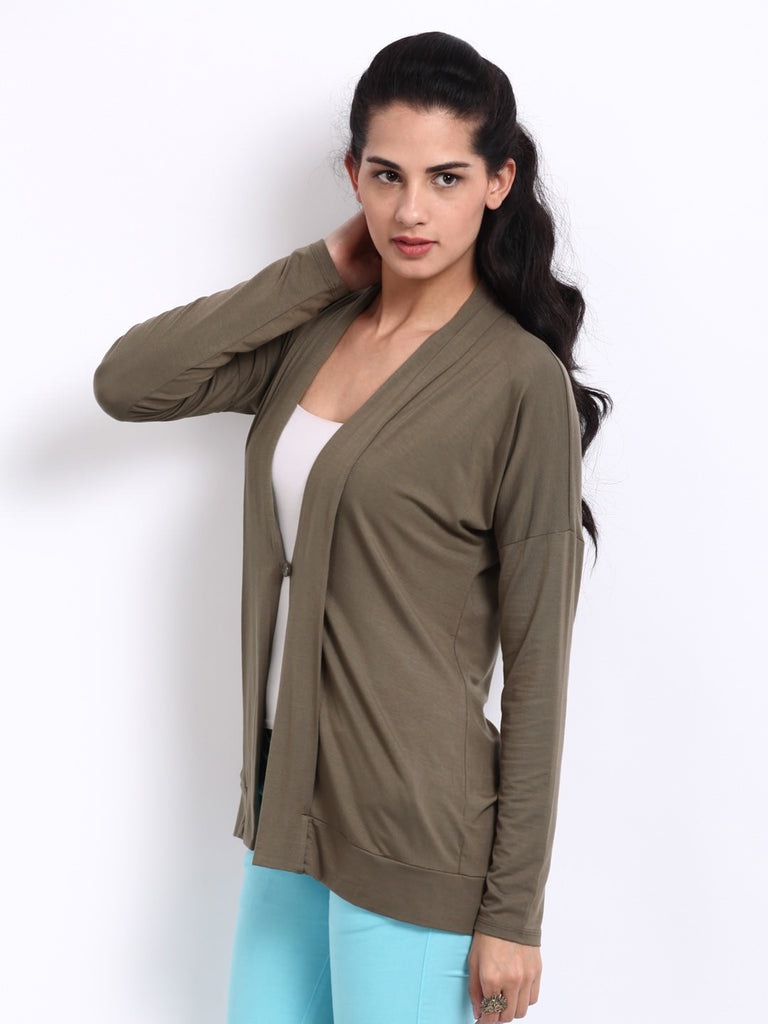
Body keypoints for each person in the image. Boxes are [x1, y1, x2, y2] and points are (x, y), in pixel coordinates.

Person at [93, 30, 611, 1024]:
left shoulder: (519, 385)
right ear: (354, 176)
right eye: (387, 175)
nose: (411, 211)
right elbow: (131, 383)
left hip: (418, 844)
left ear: (499, 182)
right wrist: (323, 268)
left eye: (446, 178)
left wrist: (514, 913)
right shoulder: (317, 337)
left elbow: (540, 670)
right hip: (287, 826)